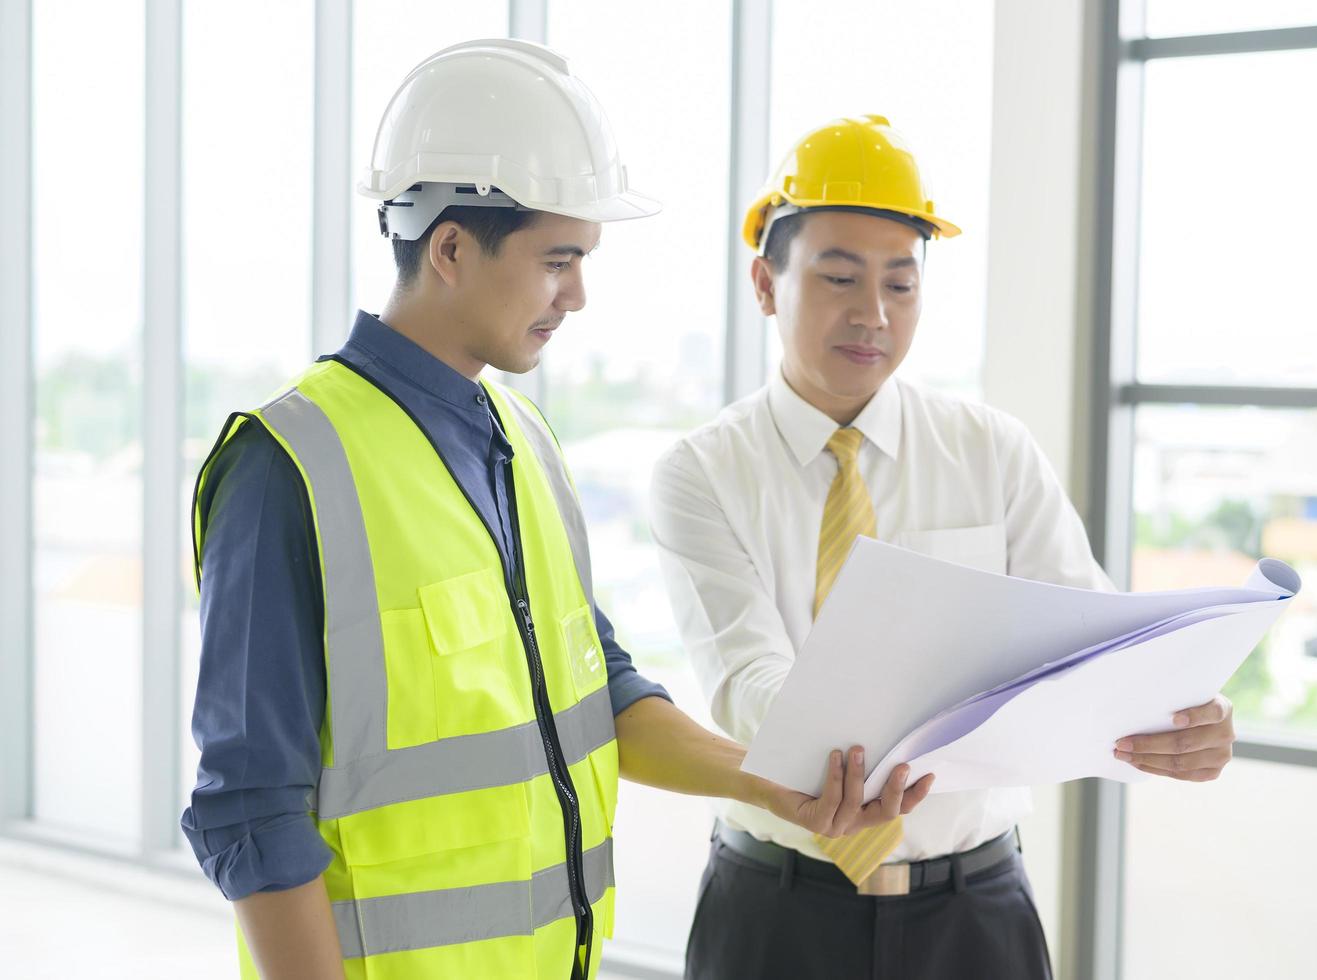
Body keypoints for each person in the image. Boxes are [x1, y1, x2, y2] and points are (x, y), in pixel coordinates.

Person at [182, 45, 927, 980]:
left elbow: (596, 697)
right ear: (450, 248)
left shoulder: (523, 438)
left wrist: (774, 787)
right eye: (557, 261)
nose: (577, 295)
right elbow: (249, 811)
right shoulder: (287, 465)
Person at [649, 114, 1236, 980]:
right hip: (776, 914)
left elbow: (1094, 642)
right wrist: (857, 751)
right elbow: (746, 687)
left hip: (973, 915)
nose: (872, 314)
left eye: (901, 283)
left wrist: (1180, 714)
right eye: (839, 276)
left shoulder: (990, 452)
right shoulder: (700, 473)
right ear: (766, 282)